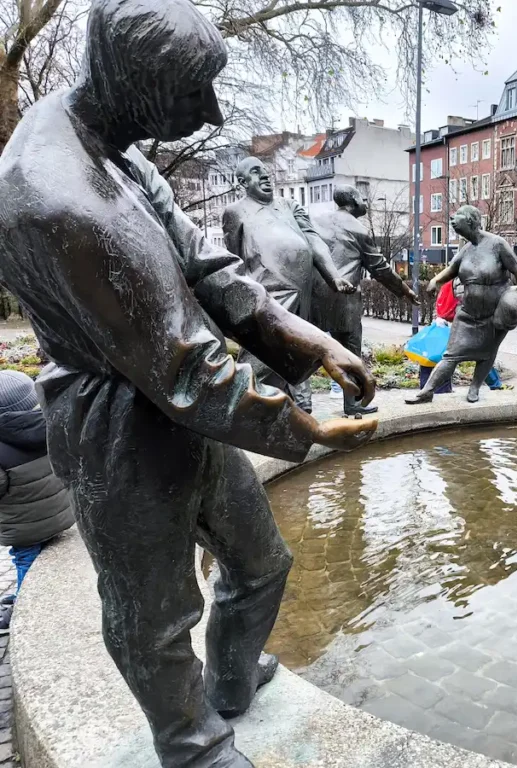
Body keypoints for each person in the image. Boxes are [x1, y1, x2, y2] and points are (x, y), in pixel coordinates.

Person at [0, 1, 377, 766]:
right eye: (190, 92)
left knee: (261, 561)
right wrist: (304, 430)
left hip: (186, 401)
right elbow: (182, 366)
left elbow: (208, 267)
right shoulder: (60, 198)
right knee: (153, 608)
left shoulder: (109, 135)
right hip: (116, 424)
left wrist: (311, 340)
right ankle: (190, 741)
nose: (207, 113)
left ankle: (230, 683)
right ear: (134, 83)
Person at [223, 157, 354, 414]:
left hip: (301, 294)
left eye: (266, 171)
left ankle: (297, 412)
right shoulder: (235, 212)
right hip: (268, 295)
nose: (265, 176)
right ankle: (238, 412)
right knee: (262, 358)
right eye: (256, 172)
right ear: (242, 182)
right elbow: (235, 257)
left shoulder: (289, 205)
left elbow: (314, 241)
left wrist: (332, 275)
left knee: (297, 354)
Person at [406, 205, 517, 405]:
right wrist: (435, 281)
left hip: (496, 311)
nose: (453, 221)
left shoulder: (497, 244)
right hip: (468, 313)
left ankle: (474, 388)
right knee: (451, 354)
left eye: (458, 218)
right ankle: (427, 391)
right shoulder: (465, 249)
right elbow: (452, 269)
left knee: (487, 352)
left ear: (471, 221)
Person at [312, 185, 418, 414]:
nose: (366, 204)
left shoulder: (316, 221)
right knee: (349, 352)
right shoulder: (358, 229)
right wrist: (403, 290)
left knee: (309, 349)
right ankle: (352, 404)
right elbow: (379, 268)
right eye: (362, 199)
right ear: (352, 200)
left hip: (315, 296)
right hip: (345, 299)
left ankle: (302, 405)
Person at [0, 370, 74, 630]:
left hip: (27, 526)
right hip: (61, 512)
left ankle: (22, 606)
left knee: (25, 558)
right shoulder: (52, 422)